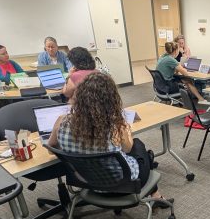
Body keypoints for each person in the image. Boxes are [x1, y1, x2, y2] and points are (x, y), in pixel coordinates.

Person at [48, 72, 170, 205]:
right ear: (111, 99)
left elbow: (51, 148)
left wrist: (77, 147)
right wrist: (125, 128)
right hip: (124, 185)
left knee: (136, 152)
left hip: (87, 182)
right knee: (139, 146)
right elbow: (128, 149)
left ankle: (156, 194)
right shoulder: (113, 125)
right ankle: (156, 195)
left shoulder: (62, 122)